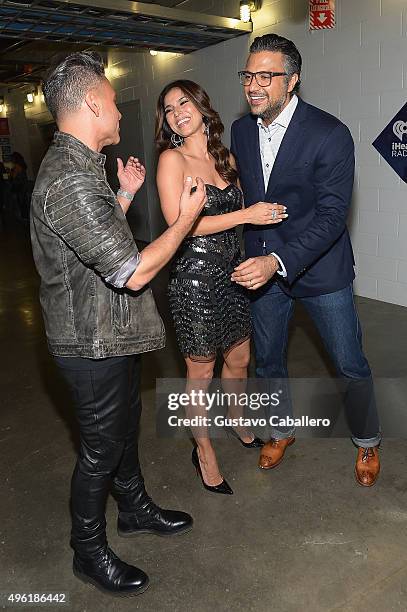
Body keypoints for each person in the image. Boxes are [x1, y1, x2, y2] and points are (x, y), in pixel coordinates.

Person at [30, 51, 207, 597]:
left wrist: (125, 195)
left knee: (123, 431)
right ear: (89, 104)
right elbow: (131, 272)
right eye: (111, 101)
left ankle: (133, 509)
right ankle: (87, 550)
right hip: (90, 343)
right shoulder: (68, 180)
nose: (120, 112)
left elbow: (94, 238)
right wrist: (185, 221)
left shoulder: (84, 169)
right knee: (101, 450)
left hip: (112, 332)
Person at [230, 34, 381, 487]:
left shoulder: (329, 133)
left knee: (349, 361)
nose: (253, 86)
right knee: (269, 360)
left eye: (266, 76)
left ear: (292, 81)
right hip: (261, 268)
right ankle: (279, 431)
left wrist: (279, 259)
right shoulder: (240, 130)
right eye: (248, 75)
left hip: (321, 269)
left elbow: (334, 216)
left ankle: (368, 440)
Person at [155, 79, 287, 495]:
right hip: (195, 280)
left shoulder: (225, 157)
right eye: (169, 108)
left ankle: (237, 415)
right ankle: (204, 450)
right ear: (168, 122)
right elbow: (183, 227)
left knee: (240, 358)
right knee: (201, 371)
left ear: (201, 106)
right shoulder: (171, 161)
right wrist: (245, 213)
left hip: (233, 275)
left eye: (184, 102)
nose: (178, 111)